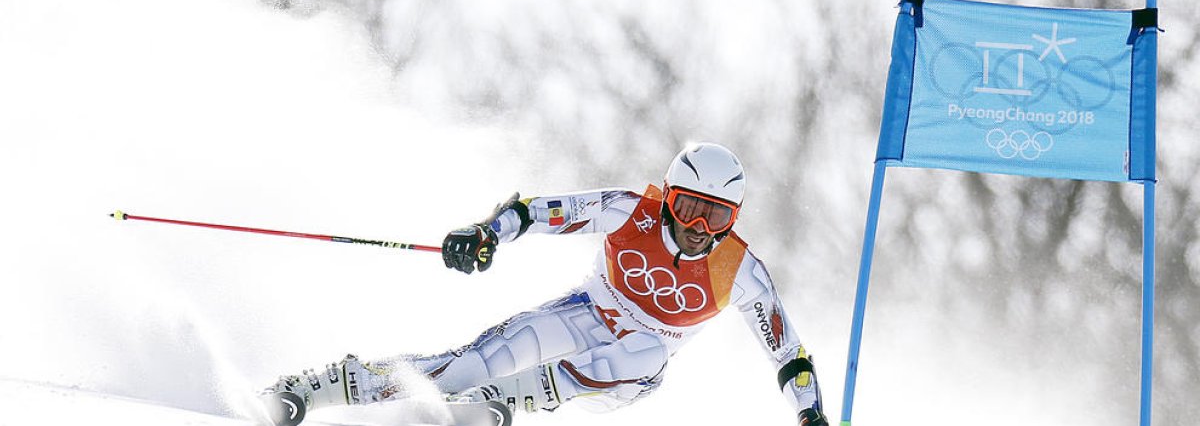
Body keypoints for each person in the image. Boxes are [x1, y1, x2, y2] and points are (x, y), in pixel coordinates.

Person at [261, 143, 827, 425]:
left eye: (717, 216)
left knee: (646, 350)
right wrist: (486, 232)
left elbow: (788, 355)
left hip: (634, 366)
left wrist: (812, 415)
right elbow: (537, 211)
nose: (699, 229)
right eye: (688, 209)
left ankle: (501, 403)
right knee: (472, 363)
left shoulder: (739, 271)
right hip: (585, 311)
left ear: (734, 218)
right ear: (668, 200)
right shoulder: (628, 211)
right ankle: (320, 388)